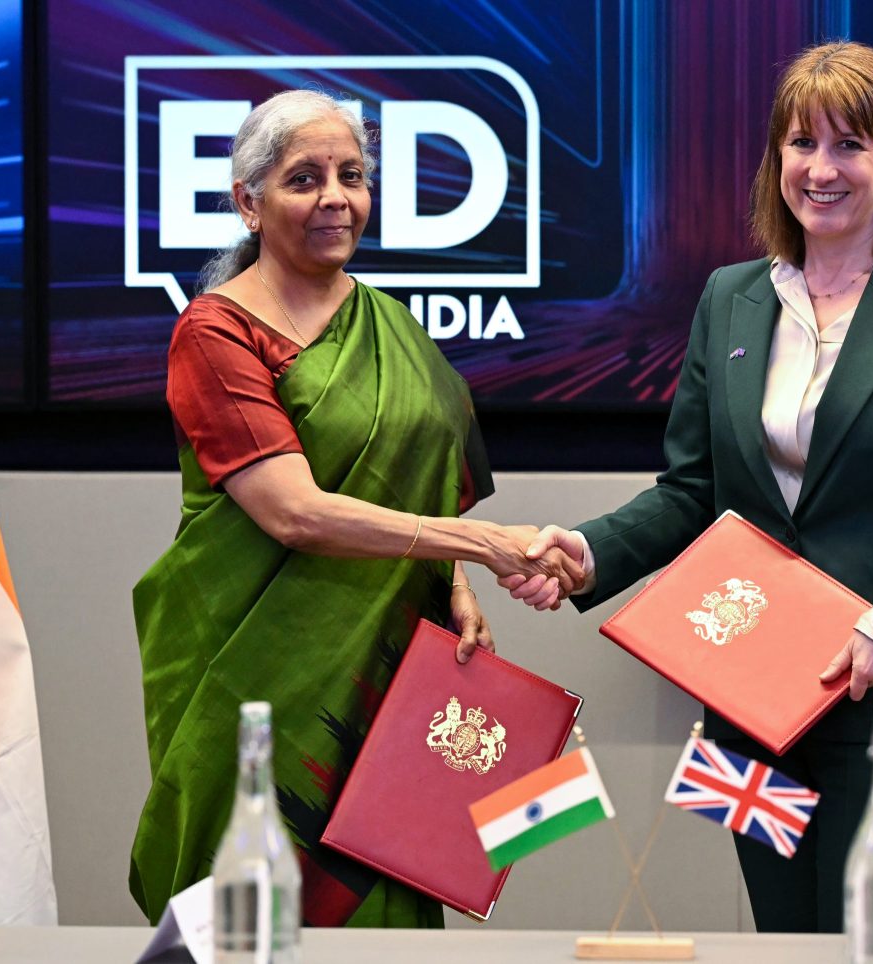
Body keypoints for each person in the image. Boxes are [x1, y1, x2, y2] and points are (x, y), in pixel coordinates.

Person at [503, 42, 873, 932]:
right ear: (775, 159)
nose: (822, 170)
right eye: (801, 144)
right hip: (748, 709)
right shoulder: (730, 298)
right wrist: (589, 554)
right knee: (780, 943)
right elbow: (694, 490)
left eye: (850, 146)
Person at [128, 90, 582, 929]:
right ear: (248, 202)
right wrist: (483, 544)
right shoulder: (215, 333)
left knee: (385, 888)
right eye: (305, 178)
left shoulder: (395, 327)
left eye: (352, 175)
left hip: (389, 675)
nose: (336, 196)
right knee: (249, 907)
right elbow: (293, 511)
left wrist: (453, 583)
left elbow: (422, 479)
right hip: (254, 672)